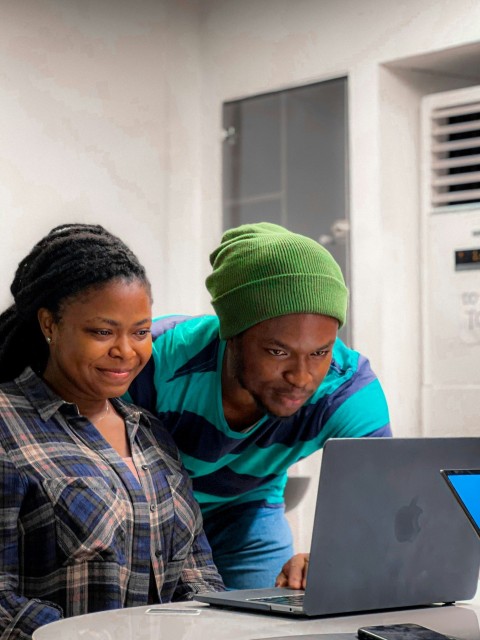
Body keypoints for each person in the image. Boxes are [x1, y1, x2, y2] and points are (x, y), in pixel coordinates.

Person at [126, 222, 391, 590]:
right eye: (278, 351)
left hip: (247, 508)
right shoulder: (152, 359)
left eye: (319, 352)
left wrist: (336, 556)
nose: (301, 377)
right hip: (147, 511)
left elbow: (385, 506)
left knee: (267, 624)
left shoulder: (346, 388)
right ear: (230, 332)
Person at [0, 224, 224, 639]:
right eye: (103, 332)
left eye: (140, 331)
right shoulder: (7, 426)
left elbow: (198, 573)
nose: (126, 350)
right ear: (49, 323)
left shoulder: (151, 434)